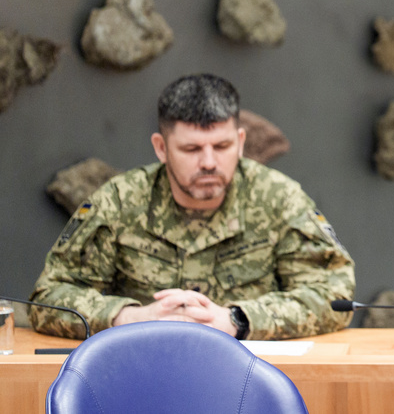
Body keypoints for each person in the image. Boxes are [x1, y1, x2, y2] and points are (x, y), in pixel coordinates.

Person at [30, 73, 355, 341]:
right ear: (161, 148)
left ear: (241, 142)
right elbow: (48, 298)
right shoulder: (119, 202)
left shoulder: (279, 199)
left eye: (223, 146)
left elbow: (335, 295)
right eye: (191, 149)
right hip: (140, 374)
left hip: (249, 378)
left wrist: (238, 320)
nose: (209, 162)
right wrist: (130, 317)